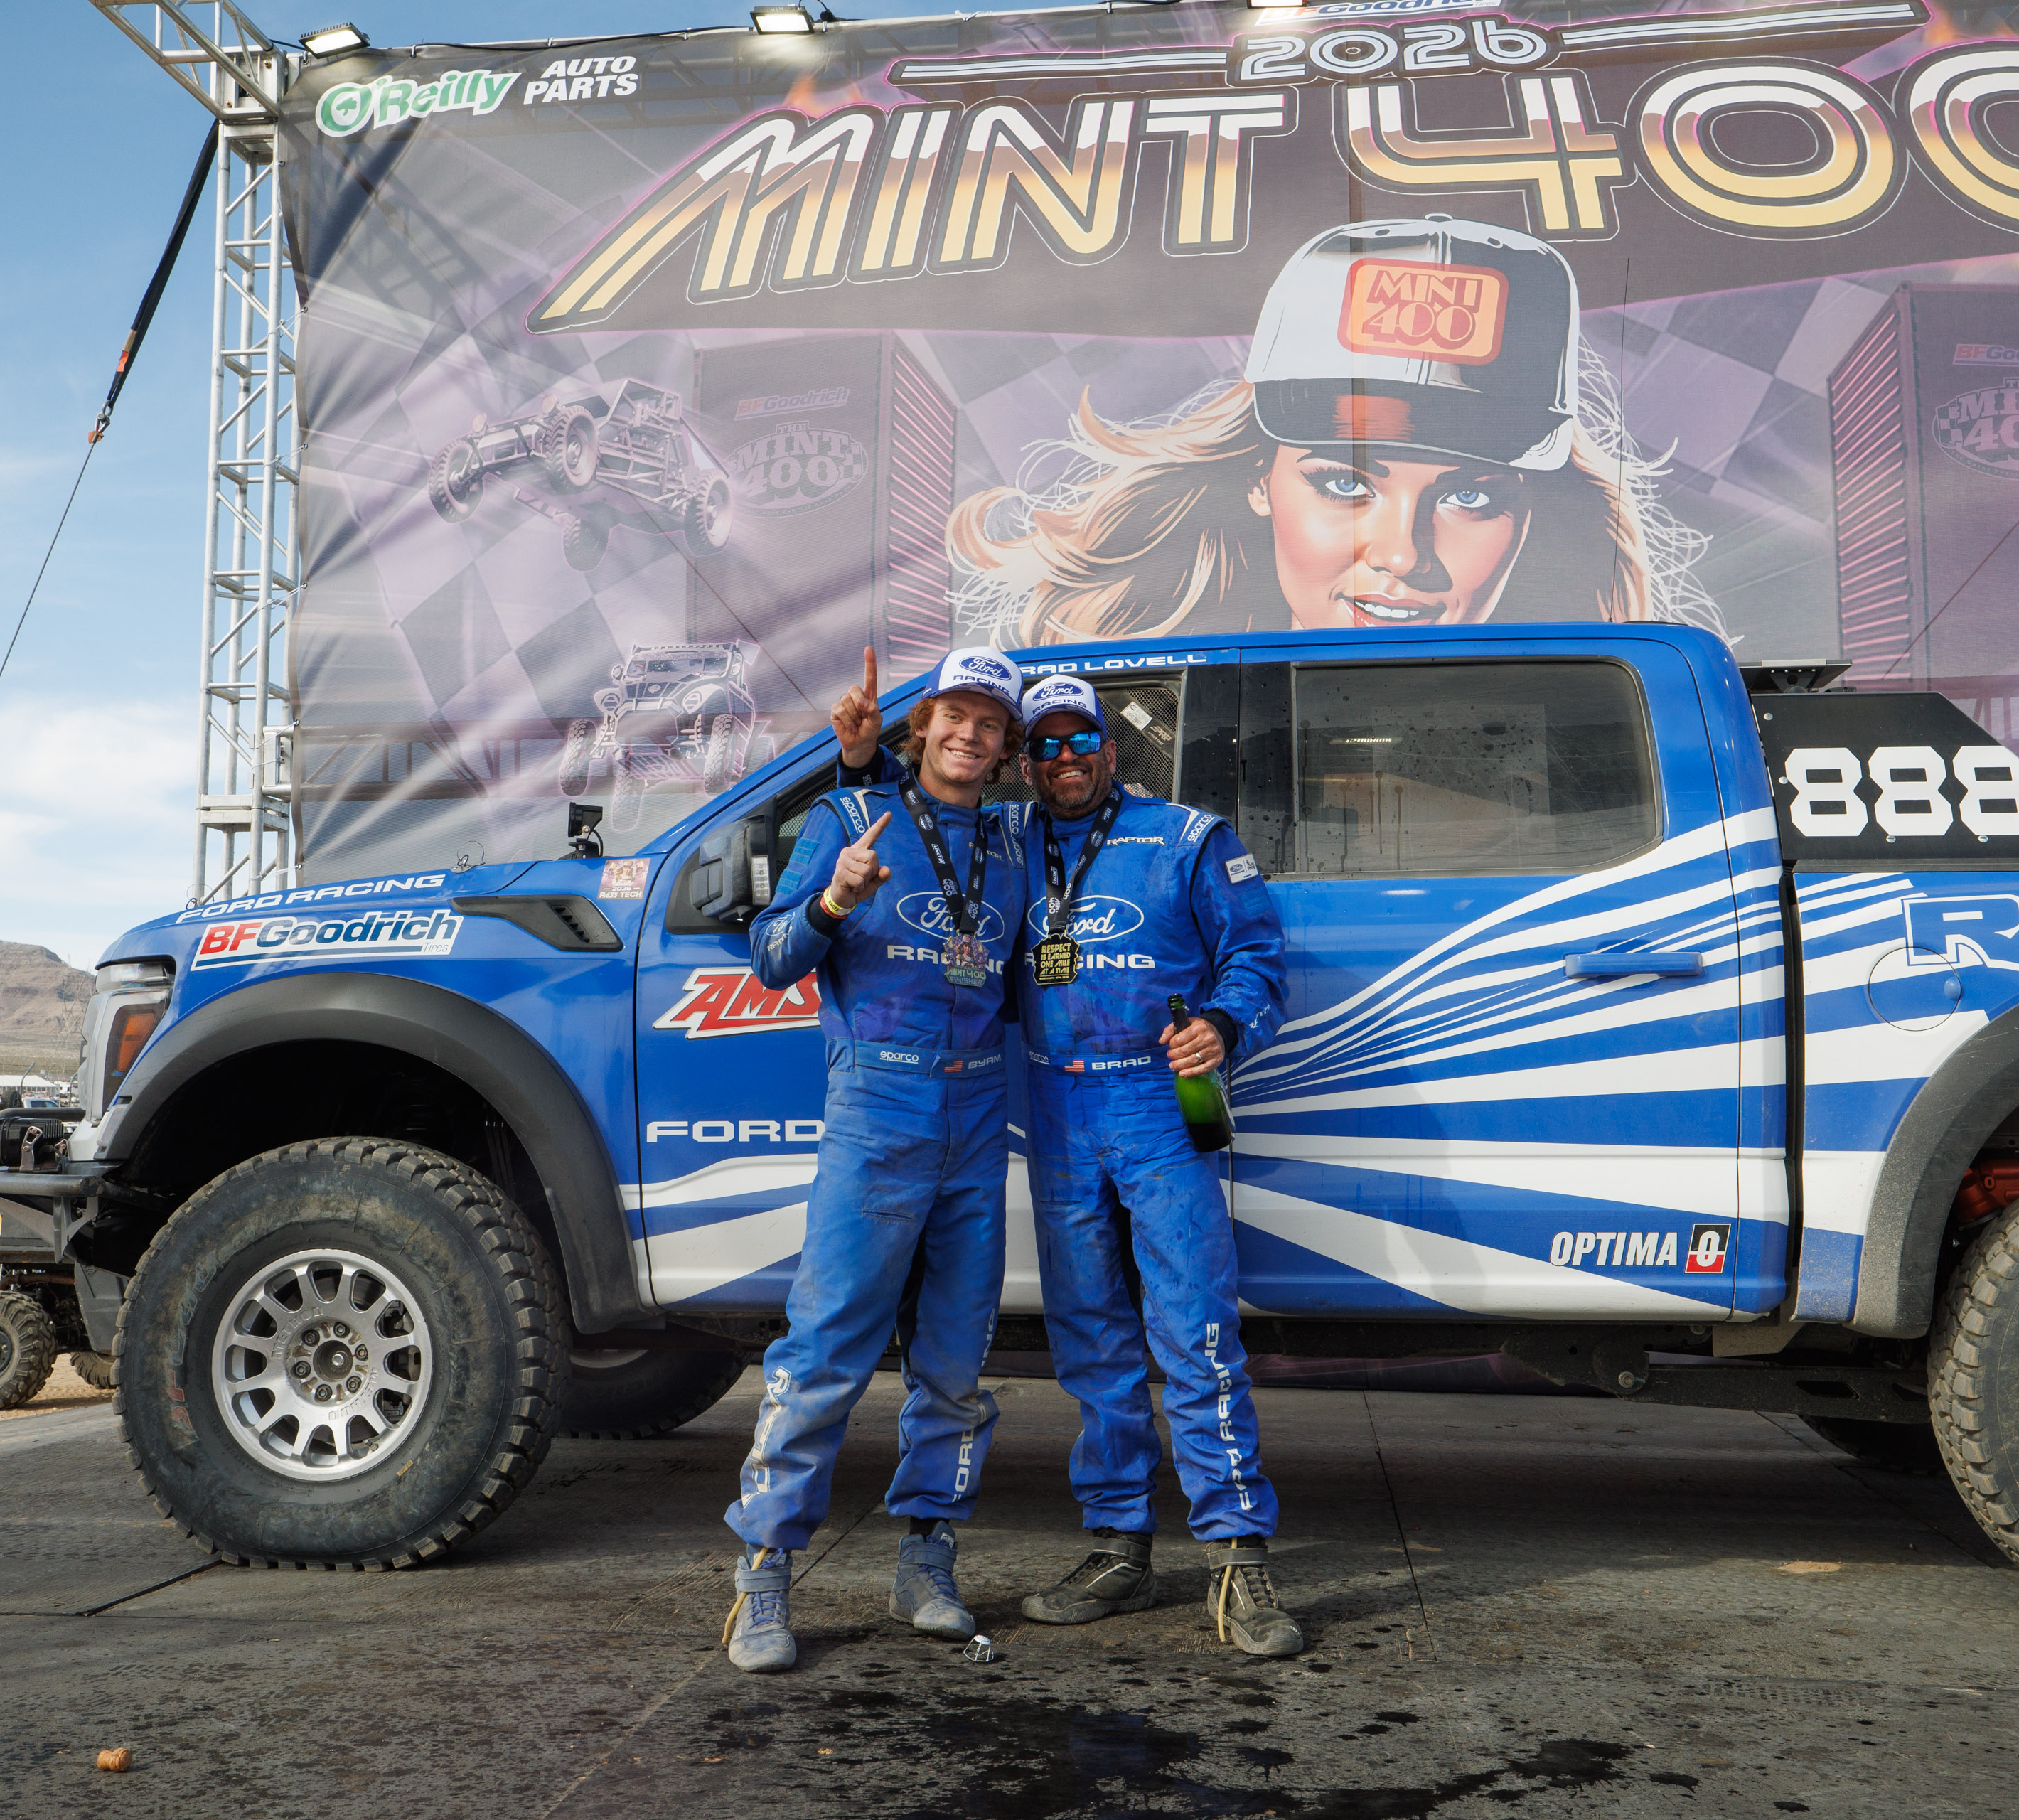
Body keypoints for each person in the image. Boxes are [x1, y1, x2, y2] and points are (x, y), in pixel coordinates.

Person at [950, 216, 1719, 644]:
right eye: (1347, 481)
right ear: (1259, 477)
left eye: (1473, 497)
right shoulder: (1117, 713)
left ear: (1533, 517)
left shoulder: (1616, 733)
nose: (1400, 554)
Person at [719, 645, 1029, 1674]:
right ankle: (764, 1572)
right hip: (879, 1105)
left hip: (979, 1113)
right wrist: (832, 901)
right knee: (825, 1356)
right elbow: (770, 962)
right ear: (923, 724)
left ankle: (927, 1562)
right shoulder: (848, 823)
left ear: (1004, 746)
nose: (969, 734)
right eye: (954, 715)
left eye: (990, 722)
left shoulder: (1015, 842)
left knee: (954, 1363)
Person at [1003, 674, 1299, 1656]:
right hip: (1053, 1100)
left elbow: (1258, 957)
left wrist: (1220, 1024)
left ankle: (1239, 1558)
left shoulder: (1187, 838)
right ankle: (1119, 1548)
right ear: (1025, 761)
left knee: (1194, 1326)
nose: (1064, 762)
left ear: (1109, 746)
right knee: (1090, 1336)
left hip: (1156, 1101)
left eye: (1078, 741)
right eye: (1042, 748)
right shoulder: (1006, 845)